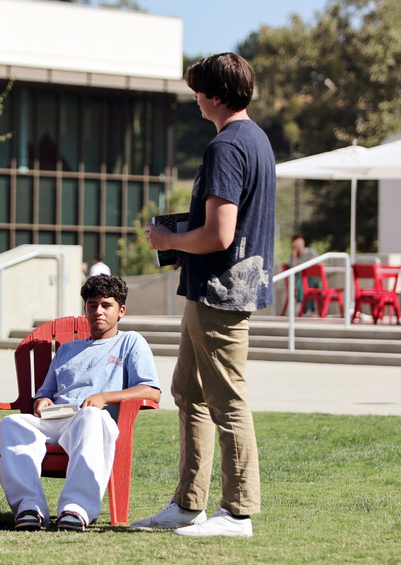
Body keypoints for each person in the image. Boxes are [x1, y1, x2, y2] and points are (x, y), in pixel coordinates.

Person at [140, 53, 275, 538]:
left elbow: (220, 234)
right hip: (214, 289)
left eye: (199, 90)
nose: (195, 98)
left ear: (216, 95)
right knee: (189, 392)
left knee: (227, 401)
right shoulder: (255, 139)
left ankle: (237, 513)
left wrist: (169, 239)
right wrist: (184, 248)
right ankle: (187, 504)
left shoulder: (227, 146)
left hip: (220, 294)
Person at [0, 275, 161, 531]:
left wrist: (104, 397)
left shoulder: (130, 342)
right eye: (92, 305)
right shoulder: (66, 350)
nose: (98, 311)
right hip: (56, 419)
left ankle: (76, 509)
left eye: (106, 305)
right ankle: (29, 507)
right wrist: (42, 401)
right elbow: (45, 392)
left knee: (91, 416)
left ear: (121, 311)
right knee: (11, 424)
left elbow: (151, 391)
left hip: (92, 422)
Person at [290, 234, 318, 313]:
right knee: (302, 281)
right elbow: (292, 270)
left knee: (307, 282)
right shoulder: (293, 255)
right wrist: (294, 257)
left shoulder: (311, 252)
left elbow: (319, 265)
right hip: (299, 279)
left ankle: (304, 306)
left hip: (312, 278)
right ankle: (304, 306)